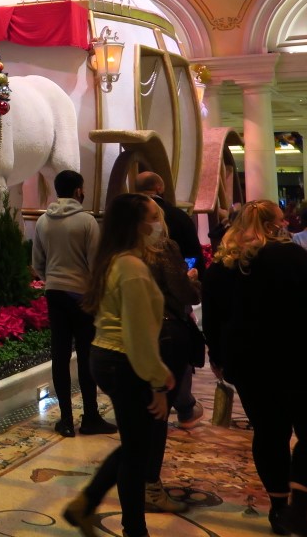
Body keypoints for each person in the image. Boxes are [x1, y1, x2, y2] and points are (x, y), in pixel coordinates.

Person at [201, 200, 307, 537]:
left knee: (269, 432)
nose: (286, 225)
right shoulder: (289, 256)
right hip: (298, 358)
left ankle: (278, 509)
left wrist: (217, 357)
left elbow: (213, 317)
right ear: (270, 224)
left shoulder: (222, 265)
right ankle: (299, 505)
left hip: (248, 365)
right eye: (281, 221)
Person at [63, 193, 177, 537]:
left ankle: (95, 509)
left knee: (134, 445)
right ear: (137, 225)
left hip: (109, 358)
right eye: (154, 216)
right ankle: (124, 523)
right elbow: (138, 334)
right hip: (125, 362)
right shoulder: (131, 267)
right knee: (137, 450)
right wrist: (157, 381)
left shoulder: (116, 259)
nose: (159, 224)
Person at [33, 170, 117, 438]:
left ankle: (66, 421)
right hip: (82, 295)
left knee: (59, 356)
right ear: (79, 190)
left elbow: (37, 262)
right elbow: (95, 262)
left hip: (55, 293)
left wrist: (53, 280)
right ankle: (90, 416)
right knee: (85, 355)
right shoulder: (87, 221)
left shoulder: (43, 221)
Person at [143, 231, 204, 434]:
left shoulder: (118, 252)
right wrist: (192, 282)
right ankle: (185, 409)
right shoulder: (162, 247)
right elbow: (181, 288)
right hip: (166, 325)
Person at [135, 172, 201, 264]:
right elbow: (192, 253)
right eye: (154, 217)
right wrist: (187, 273)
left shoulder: (127, 214)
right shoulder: (179, 216)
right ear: (159, 188)